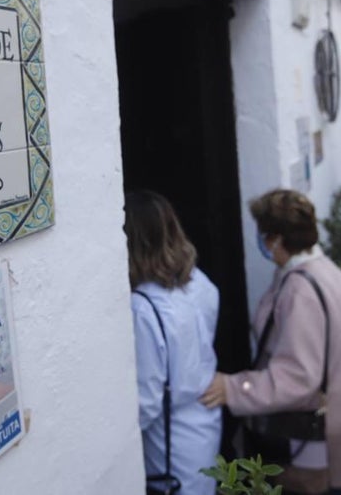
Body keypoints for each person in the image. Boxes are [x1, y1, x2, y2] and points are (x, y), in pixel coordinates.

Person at [199, 190, 341, 495]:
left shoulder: (301, 290)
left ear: (276, 240)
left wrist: (233, 388)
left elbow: (298, 377)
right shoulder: (325, 272)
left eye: (263, 235)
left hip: (319, 438)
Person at [125, 190, 221, 495]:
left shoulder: (143, 308)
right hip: (205, 426)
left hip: (172, 446)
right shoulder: (199, 283)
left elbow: (147, 403)